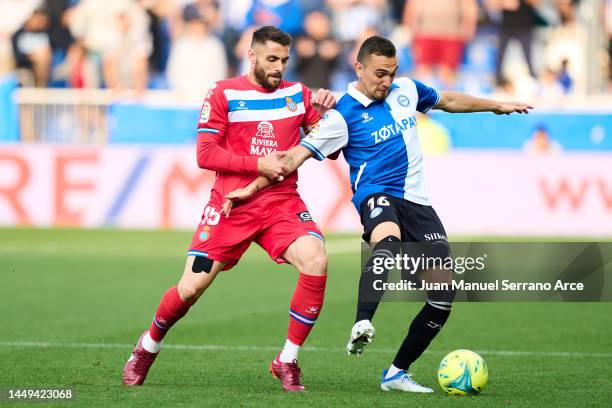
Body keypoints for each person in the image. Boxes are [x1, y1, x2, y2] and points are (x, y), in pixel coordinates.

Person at [221, 35, 532, 393]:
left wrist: (496, 105)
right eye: (379, 73)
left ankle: (397, 373)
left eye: (391, 73)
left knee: (443, 295)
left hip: (419, 205)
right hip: (377, 196)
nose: (386, 81)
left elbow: (447, 99)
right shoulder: (342, 115)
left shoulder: (407, 90)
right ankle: (362, 323)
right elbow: (294, 157)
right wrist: (251, 186)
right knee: (388, 241)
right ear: (359, 68)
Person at [122, 26, 336, 392]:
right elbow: (205, 154)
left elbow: (329, 149)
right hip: (230, 205)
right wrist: (258, 164)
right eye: (271, 59)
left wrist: (323, 114)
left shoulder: (298, 96)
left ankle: (287, 359)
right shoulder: (223, 93)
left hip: (281, 203)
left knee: (316, 259)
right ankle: (148, 346)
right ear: (252, 56)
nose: (278, 67)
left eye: (284, 60)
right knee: (190, 289)